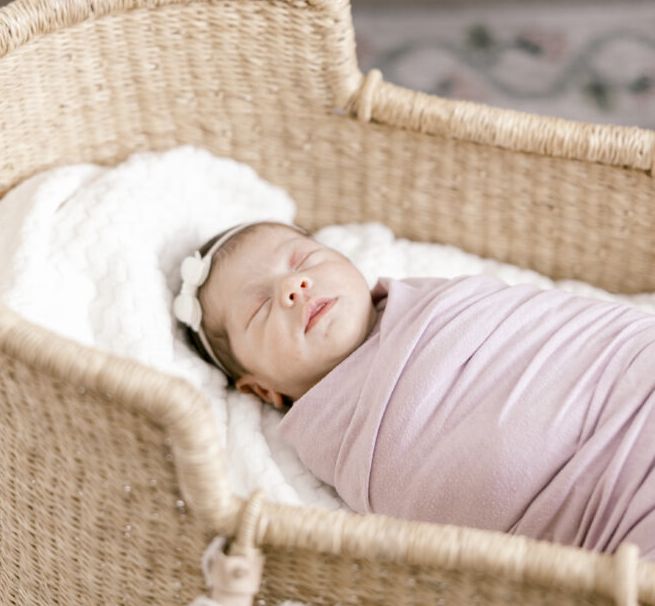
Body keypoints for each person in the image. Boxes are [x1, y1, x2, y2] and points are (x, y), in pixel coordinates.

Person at [174, 219, 655, 558]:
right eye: (260, 308)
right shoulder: (340, 437)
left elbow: (556, 333)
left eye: (304, 259)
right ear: (263, 392)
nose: (293, 286)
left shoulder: (438, 305)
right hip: (607, 496)